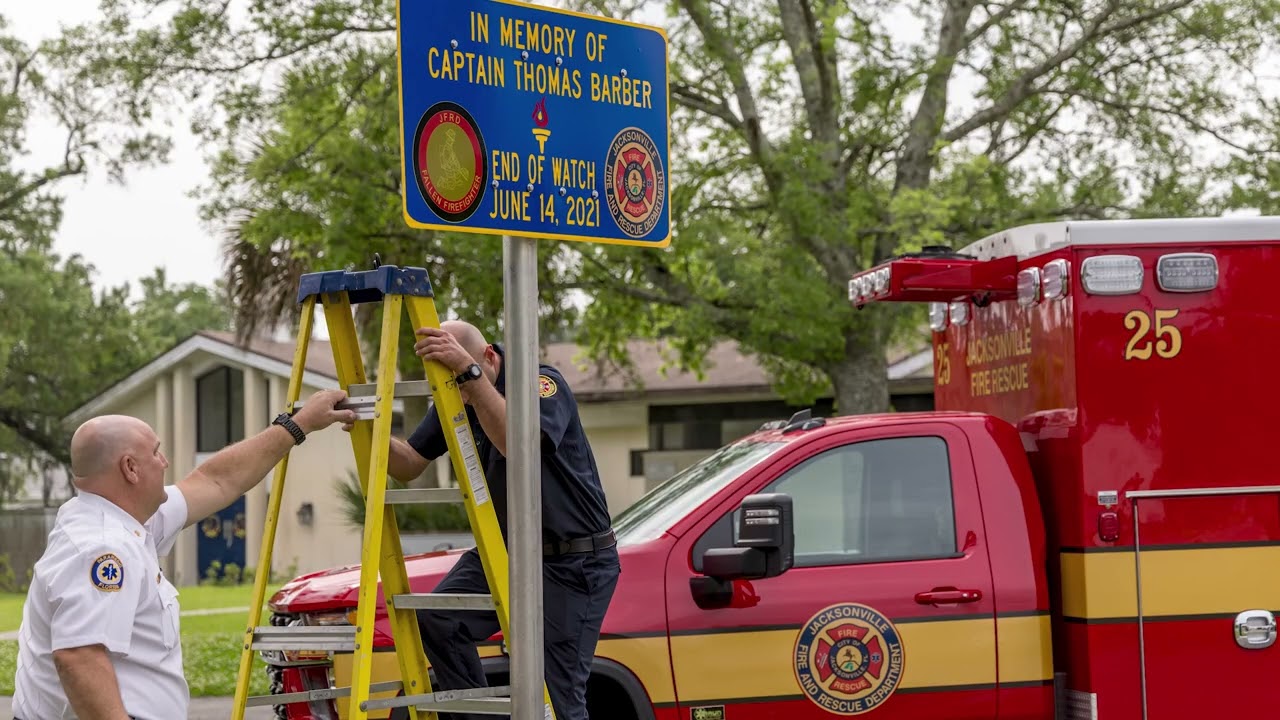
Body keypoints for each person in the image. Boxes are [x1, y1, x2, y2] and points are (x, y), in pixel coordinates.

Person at [11, 388, 357, 720]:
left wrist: (298, 424)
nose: (165, 462)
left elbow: (217, 480)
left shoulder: (124, 521)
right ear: (130, 468)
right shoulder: (103, 546)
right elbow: (78, 656)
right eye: (156, 452)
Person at [376, 320, 620, 720]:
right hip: (508, 551)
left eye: (464, 375)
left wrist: (469, 376)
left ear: (489, 356)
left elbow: (515, 444)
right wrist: (367, 426)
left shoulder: (539, 384)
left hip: (574, 561)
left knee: (558, 697)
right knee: (439, 618)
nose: (460, 393)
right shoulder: (458, 390)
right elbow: (408, 466)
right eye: (452, 384)